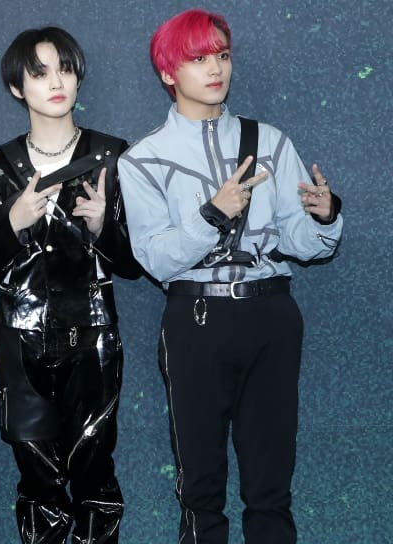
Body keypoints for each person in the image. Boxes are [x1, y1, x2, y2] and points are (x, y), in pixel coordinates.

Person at [118, 8, 343, 543]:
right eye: (198, 59)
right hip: (196, 318)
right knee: (200, 482)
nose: (215, 68)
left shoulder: (270, 141)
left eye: (221, 55)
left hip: (271, 313)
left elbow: (302, 244)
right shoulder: (143, 159)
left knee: (271, 478)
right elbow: (155, 258)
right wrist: (213, 215)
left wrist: (324, 217)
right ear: (168, 72)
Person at [0, 27, 142, 544]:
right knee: (37, 477)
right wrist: (13, 221)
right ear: (17, 87)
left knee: (94, 470)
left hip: (92, 335)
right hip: (20, 337)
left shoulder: (111, 156)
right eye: (40, 73)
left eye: (65, 69)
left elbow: (135, 263)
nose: (56, 82)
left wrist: (102, 227)